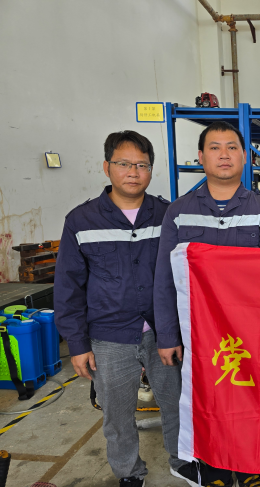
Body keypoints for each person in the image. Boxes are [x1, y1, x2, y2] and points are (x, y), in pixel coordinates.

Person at [54, 131, 200, 487]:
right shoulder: (82, 220)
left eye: (142, 165)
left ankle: (182, 461)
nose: (133, 172)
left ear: (151, 170)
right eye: (124, 164)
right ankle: (129, 471)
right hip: (108, 336)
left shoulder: (168, 214)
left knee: (176, 403)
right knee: (117, 414)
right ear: (107, 167)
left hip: (164, 333)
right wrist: (78, 344)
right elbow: (68, 287)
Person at [154, 121, 260, 487]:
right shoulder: (179, 212)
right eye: (214, 148)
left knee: (250, 400)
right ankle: (213, 471)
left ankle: (248, 469)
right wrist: (167, 335)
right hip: (196, 336)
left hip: (252, 334)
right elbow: (164, 278)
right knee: (206, 403)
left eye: (232, 147)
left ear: (245, 156)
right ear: (201, 157)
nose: (224, 154)